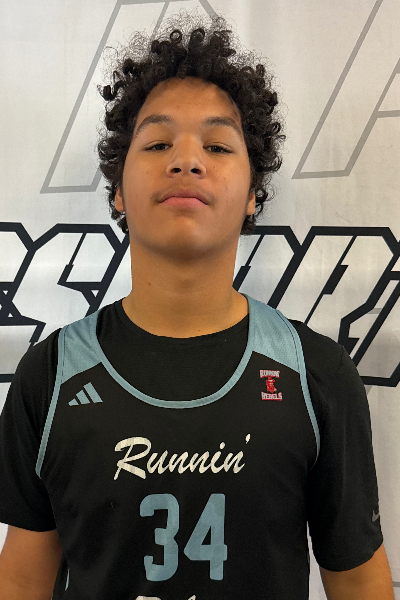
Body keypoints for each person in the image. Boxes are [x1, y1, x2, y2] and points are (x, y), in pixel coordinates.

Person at [0, 10, 394, 600]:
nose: (186, 160)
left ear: (254, 193)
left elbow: (359, 580)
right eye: (158, 143)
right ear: (117, 190)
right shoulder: (50, 377)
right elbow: (21, 581)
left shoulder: (317, 375)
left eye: (217, 145)